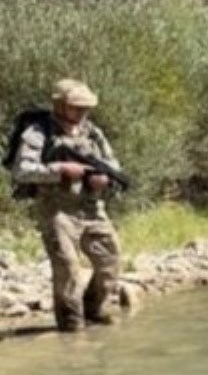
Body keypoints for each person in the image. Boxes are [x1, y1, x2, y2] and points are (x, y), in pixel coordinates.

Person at [12, 80, 125, 332]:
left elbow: (113, 164)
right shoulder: (38, 132)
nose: (82, 113)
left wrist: (104, 180)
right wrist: (60, 170)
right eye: (76, 107)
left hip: (93, 209)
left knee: (111, 261)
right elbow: (22, 170)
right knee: (68, 270)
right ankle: (71, 325)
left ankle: (93, 311)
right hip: (57, 211)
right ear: (60, 105)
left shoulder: (93, 132)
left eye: (85, 108)